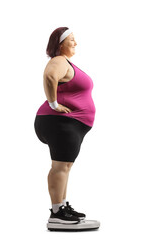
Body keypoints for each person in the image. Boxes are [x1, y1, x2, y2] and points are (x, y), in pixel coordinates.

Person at [34, 27, 96, 224]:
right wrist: (54, 104)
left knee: (65, 166)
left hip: (68, 124)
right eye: (72, 40)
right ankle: (56, 214)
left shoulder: (66, 63)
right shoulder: (58, 61)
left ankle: (61, 206)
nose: (75, 43)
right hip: (60, 123)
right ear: (60, 45)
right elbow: (50, 76)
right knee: (60, 167)